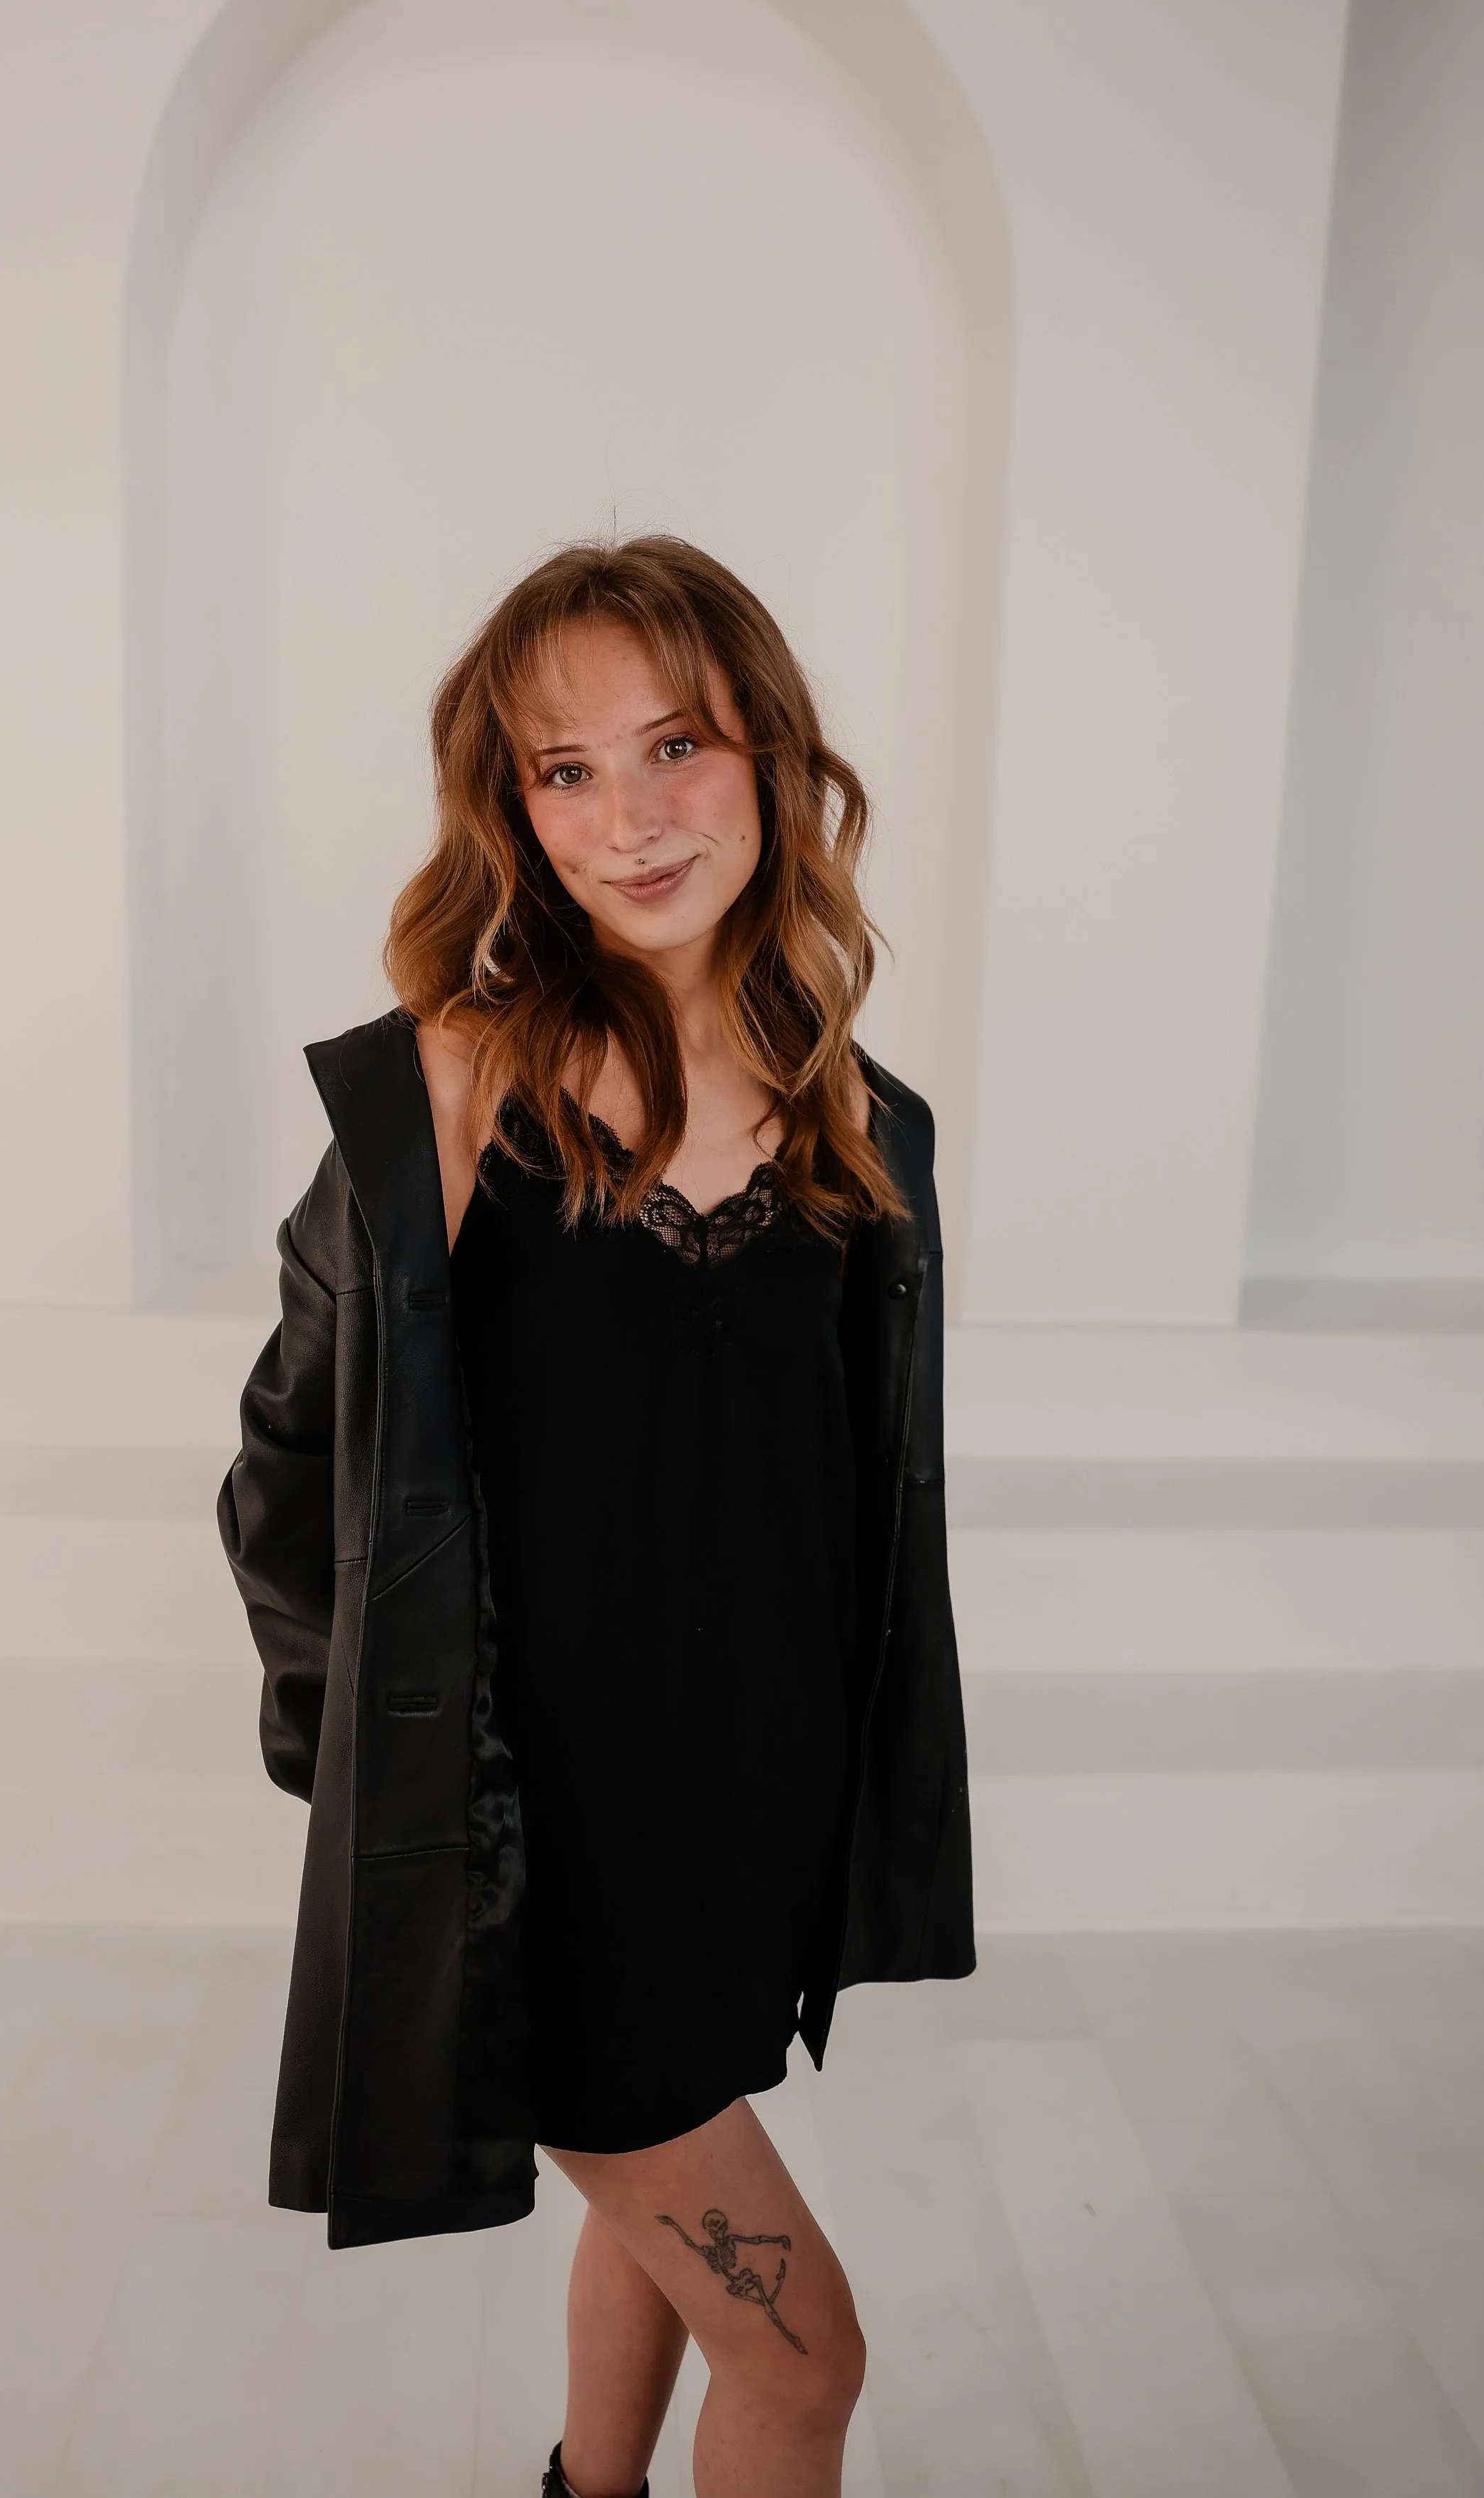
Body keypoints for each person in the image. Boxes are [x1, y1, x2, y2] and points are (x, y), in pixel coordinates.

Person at [218, 535, 973, 2498]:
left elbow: (843, 1497)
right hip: (542, 1868)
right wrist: (363, 1768)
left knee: (658, 2235)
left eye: (676, 745)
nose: (629, 819)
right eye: (566, 769)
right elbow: (287, 1460)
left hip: (746, 1828)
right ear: (510, 806)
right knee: (804, 2356)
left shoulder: (857, 1116)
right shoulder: (452, 1095)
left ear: (773, 754)